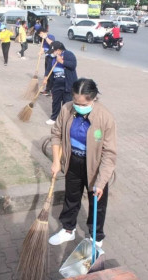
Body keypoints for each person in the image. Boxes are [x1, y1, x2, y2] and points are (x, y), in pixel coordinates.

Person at [48, 78, 117, 248]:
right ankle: (68, 229)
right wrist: (57, 161)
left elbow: (109, 153)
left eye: (83, 104)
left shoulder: (105, 117)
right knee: (71, 197)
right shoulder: (67, 109)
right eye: (75, 101)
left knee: (97, 203)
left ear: (93, 99)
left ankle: (96, 236)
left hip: (95, 167)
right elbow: (56, 134)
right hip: (73, 161)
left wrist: (101, 182)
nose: (78, 106)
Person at [44, 41, 77, 125]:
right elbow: (48, 69)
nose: (53, 53)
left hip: (68, 83)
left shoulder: (69, 54)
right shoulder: (52, 58)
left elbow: (73, 65)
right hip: (56, 83)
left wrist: (62, 62)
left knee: (67, 102)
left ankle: (66, 120)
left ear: (58, 50)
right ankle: (54, 118)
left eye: (54, 51)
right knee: (56, 101)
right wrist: (45, 78)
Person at [37, 28, 55, 96]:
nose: (40, 35)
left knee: (50, 74)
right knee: (47, 73)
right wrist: (40, 52)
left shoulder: (50, 36)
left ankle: (52, 90)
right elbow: (44, 48)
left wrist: (46, 37)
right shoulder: (43, 40)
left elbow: (52, 44)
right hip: (47, 57)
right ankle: (47, 89)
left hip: (52, 58)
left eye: (40, 34)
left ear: (43, 32)